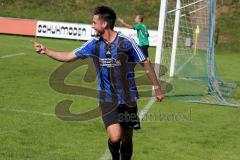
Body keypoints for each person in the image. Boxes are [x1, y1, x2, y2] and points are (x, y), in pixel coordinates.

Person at [32, 6, 164, 160]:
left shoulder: (126, 42)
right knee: (115, 137)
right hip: (106, 98)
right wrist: (46, 51)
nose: (92, 25)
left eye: (94, 22)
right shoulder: (93, 44)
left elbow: (145, 61)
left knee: (127, 138)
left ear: (105, 24)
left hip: (128, 98)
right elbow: (69, 56)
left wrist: (157, 87)